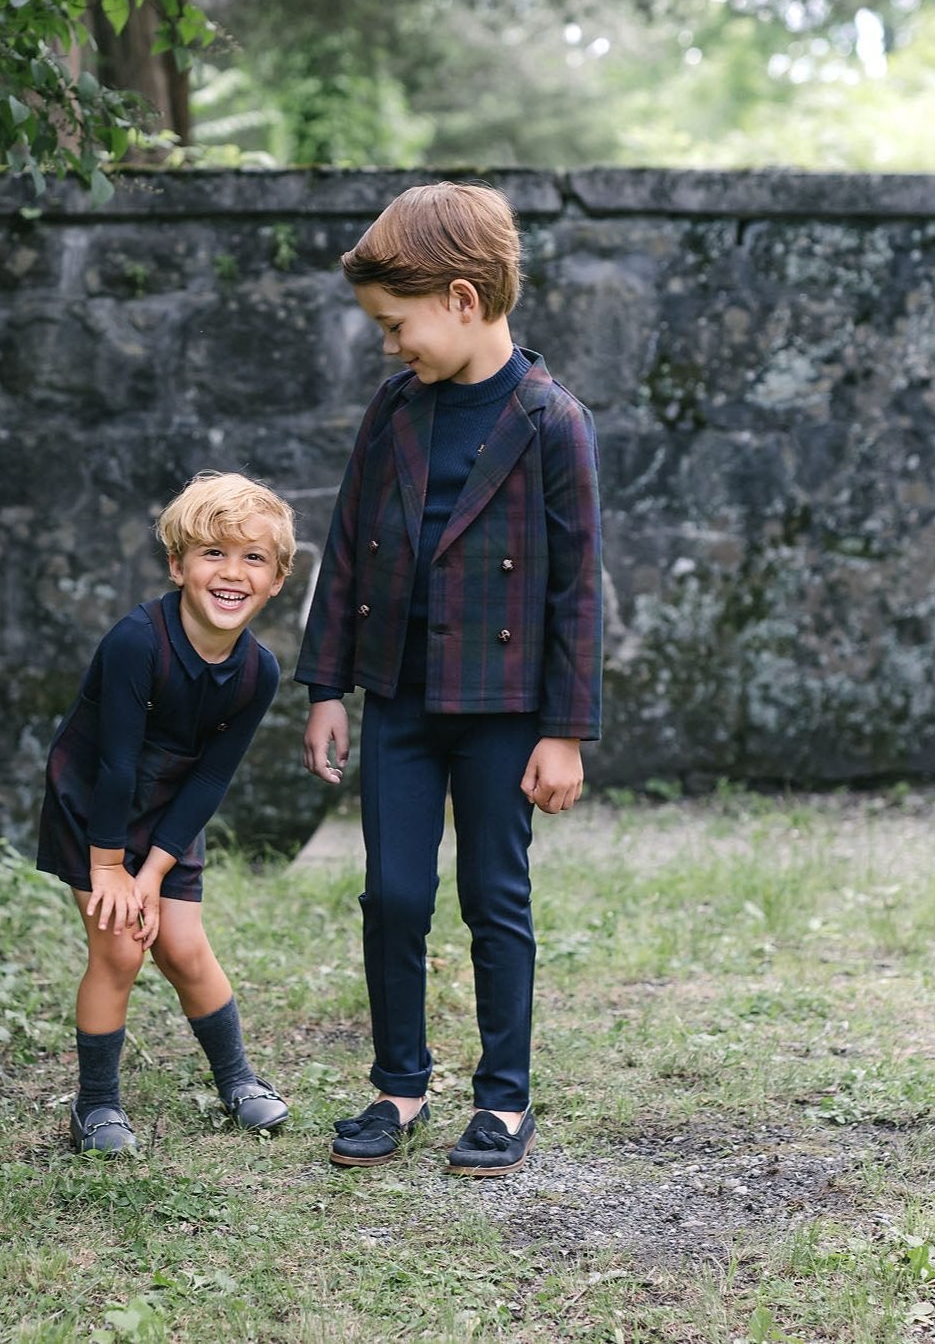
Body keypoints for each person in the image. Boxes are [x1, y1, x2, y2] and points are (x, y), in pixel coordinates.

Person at [297, 182, 603, 1178]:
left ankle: (503, 1100)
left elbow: (574, 590)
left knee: (491, 893)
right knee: (390, 895)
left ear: (462, 300)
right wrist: (324, 689)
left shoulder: (551, 422)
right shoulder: (395, 411)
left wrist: (564, 731)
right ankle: (398, 1084)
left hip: (502, 710)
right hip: (397, 701)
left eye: (397, 325)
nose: (390, 345)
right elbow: (347, 548)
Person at [38, 472, 297, 1154]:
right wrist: (111, 868)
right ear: (178, 565)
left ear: (276, 580)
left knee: (182, 945)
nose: (231, 572)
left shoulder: (258, 671)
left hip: (171, 810)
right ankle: (94, 1106)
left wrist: (150, 873)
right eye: (212, 553)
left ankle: (237, 1079)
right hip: (94, 806)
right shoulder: (136, 641)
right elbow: (116, 764)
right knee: (120, 946)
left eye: (253, 558)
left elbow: (212, 775)